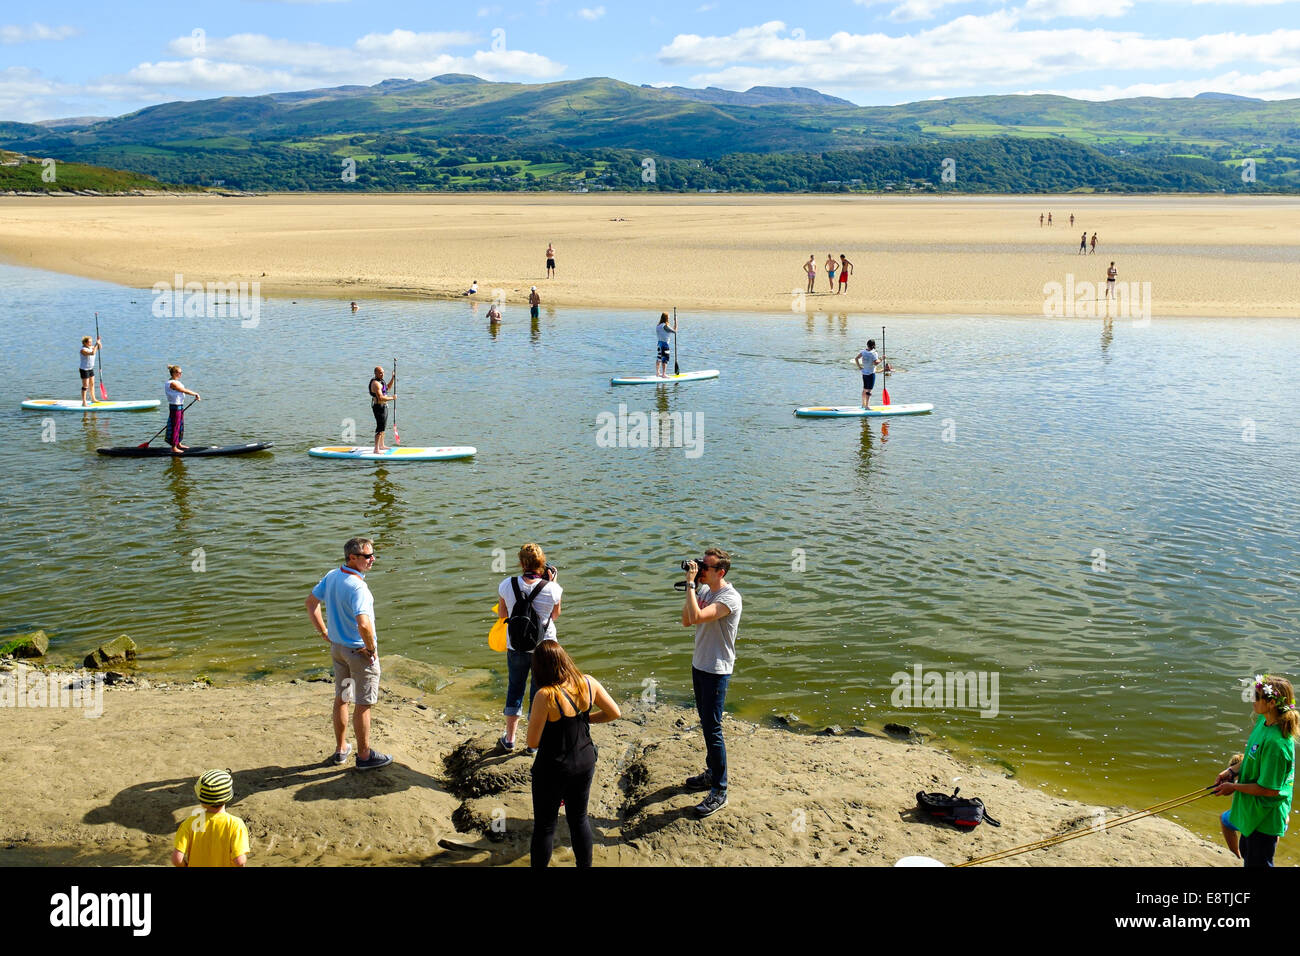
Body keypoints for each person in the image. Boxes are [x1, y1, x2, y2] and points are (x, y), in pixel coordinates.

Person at [526, 642, 621, 867]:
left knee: (545, 826)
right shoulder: (587, 682)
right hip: (585, 760)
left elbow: (532, 742)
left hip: (553, 766)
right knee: (579, 819)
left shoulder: (545, 695)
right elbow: (614, 713)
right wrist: (584, 719)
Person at [305, 537, 393, 770]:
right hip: (359, 653)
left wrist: (324, 631)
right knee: (363, 704)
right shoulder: (358, 587)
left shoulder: (332, 575)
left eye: (373, 555)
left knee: (342, 697)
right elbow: (364, 624)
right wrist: (371, 650)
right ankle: (364, 756)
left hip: (338, 650)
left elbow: (311, 602)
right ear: (352, 557)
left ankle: (341, 748)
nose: (372, 559)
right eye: (367, 556)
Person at [681, 548, 742, 818]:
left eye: (707, 567)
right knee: (706, 724)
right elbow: (686, 620)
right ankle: (711, 773)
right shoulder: (704, 591)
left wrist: (693, 584)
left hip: (717, 670)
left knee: (713, 729)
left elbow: (696, 617)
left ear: (721, 572)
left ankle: (720, 789)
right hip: (699, 664)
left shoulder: (730, 597)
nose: (701, 569)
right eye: (700, 565)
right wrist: (691, 588)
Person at [1214, 674, 1297, 867]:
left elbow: (1269, 789)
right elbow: (1252, 757)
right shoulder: (1263, 722)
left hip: (1265, 817)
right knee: (1247, 853)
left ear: (1271, 703)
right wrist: (1232, 771)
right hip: (1252, 811)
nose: (1252, 699)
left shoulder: (1277, 744)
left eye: (1257, 696)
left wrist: (1233, 788)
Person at [495, 543, 562, 753]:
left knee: (515, 688)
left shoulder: (507, 584)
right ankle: (534, 743)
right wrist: (552, 583)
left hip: (516, 645)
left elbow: (502, 615)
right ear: (542, 564)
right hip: (544, 646)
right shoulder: (553, 589)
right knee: (540, 692)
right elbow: (554, 616)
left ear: (522, 563)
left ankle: (510, 739)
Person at [171, 769, 250, 867]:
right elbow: (240, 861)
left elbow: (176, 859)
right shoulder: (235, 824)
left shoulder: (190, 822)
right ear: (229, 796)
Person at [164, 365, 200, 455]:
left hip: (180, 406)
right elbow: (183, 390)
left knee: (180, 425)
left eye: (181, 372)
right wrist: (195, 393)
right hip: (174, 407)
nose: (181, 374)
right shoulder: (172, 383)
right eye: (179, 372)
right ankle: (173, 447)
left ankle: (179, 444)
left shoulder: (176, 382)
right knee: (175, 426)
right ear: (174, 373)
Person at [854, 339, 890, 408]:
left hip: (864, 373)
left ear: (867, 345)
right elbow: (875, 363)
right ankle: (867, 406)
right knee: (869, 390)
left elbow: (856, 358)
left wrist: (859, 367)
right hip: (871, 374)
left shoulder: (863, 352)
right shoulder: (874, 353)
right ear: (873, 345)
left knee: (865, 388)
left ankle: (863, 404)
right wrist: (882, 358)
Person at [368, 365, 396, 455]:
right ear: (375, 373)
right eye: (380, 373)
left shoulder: (381, 381)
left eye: (383, 372)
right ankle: (376, 449)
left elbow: (387, 388)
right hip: (378, 407)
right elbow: (380, 398)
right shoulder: (375, 383)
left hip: (384, 407)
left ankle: (382, 445)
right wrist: (392, 398)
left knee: (383, 427)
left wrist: (393, 378)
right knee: (380, 428)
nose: (382, 374)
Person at [79, 335, 101, 406]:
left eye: (91, 342)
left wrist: (99, 342)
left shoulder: (92, 347)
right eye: (89, 342)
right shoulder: (83, 350)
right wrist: (96, 344)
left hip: (90, 369)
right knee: (85, 386)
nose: (91, 343)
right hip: (84, 369)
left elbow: (99, 347)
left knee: (92, 384)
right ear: (85, 343)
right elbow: (93, 353)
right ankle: (84, 402)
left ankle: (93, 399)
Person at [655, 311, 677, 378]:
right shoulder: (665, 326)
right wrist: (676, 322)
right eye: (668, 317)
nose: (669, 319)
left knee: (659, 358)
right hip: (664, 345)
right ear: (666, 318)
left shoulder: (658, 326)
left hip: (659, 344)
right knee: (665, 359)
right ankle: (664, 374)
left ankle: (658, 373)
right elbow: (674, 331)